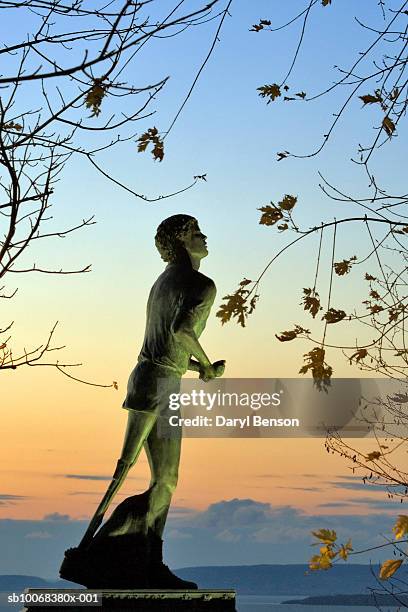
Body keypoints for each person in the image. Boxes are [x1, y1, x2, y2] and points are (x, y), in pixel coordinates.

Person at [63, 214, 225, 589]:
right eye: (197, 233)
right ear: (182, 241)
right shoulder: (201, 284)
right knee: (164, 480)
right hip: (160, 385)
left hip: (149, 378)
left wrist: (196, 366)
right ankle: (131, 556)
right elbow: (181, 331)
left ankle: (128, 556)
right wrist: (205, 365)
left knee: (143, 473)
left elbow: (166, 345)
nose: (204, 237)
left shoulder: (163, 282)